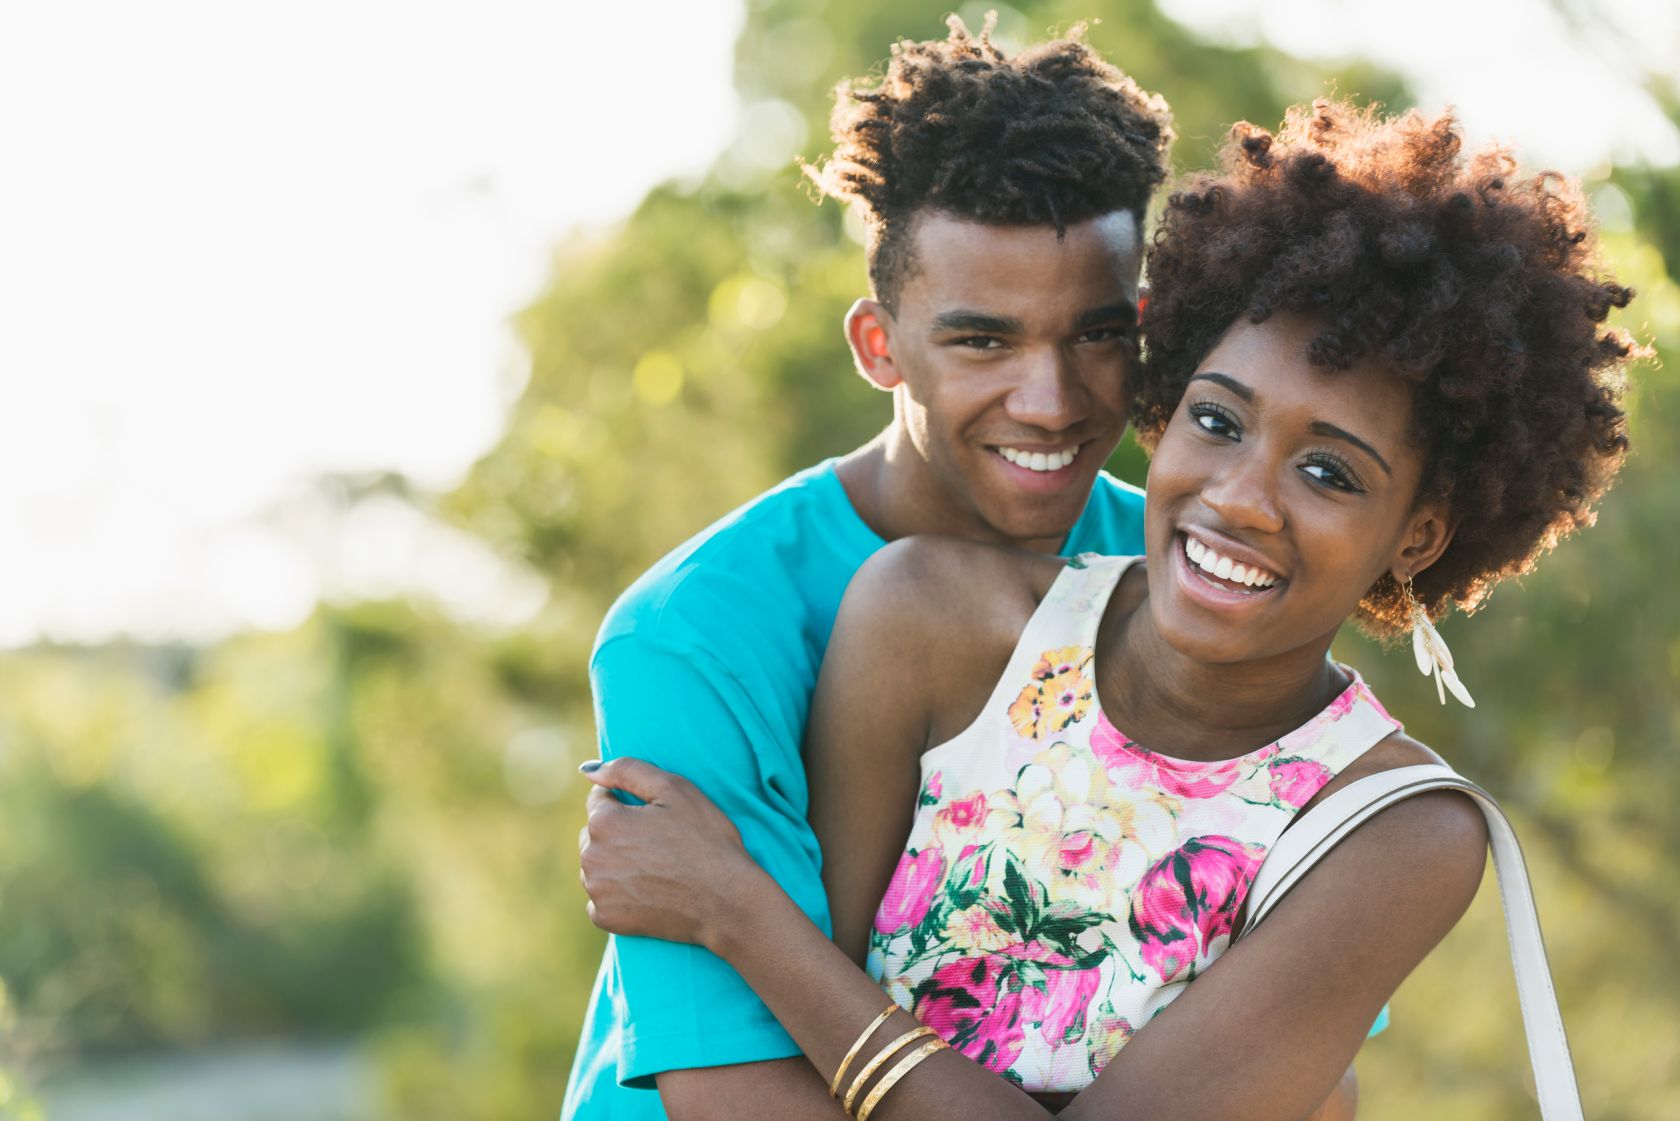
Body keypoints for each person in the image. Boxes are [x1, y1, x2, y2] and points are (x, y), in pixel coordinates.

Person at [576, 98, 1638, 1121]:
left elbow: (1320, 1089)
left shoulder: (1393, 826)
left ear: (1418, 532)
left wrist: (741, 914)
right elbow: (751, 1085)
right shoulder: (880, 615)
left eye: (1328, 471)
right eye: (1217, 420)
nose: (1238, 500)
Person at [560, 18, 1186, 1121]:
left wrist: (740, 906)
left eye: (1094, 336)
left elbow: (1290, 1066)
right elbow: (746, 1103)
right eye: (982, 342)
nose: (1050, 400)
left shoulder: (1187, 581)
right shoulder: (697, 631)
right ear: (878, 344)